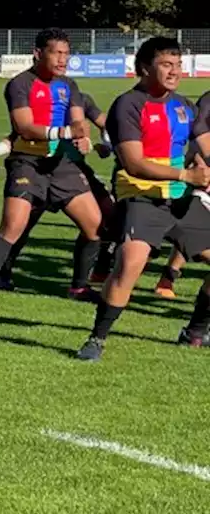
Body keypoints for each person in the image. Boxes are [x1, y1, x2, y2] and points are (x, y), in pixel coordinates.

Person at [76, 37, 210, 361]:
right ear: (144, 68)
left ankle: (195, 332)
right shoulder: (128, 105)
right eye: (166, 65)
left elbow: (203, 144)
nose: (175, 72)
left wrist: (201, 166)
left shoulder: (184, 106)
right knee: (130, 266)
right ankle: (97, 339)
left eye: (178, 65)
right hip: (141, 197)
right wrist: (187, 176)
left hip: (179, 200)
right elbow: (133, 161)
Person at [0, 29, 103, 313]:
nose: (63, 59)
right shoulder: (20, 84)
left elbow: (78, 121)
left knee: (94, 226)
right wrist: (66, 131)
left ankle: (78, 287)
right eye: (56, 53)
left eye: (66, 53)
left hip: (61, 165)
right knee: (12, 227)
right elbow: (24, 127)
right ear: (38, 53)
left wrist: (82, 136)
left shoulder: (69, 85)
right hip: (27, 162)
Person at [0, 91, 116, 291]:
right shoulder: (37, 102)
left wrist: (102, 144)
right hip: (38, 170)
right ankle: (1, 274)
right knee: (21, 225)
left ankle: (94, 273)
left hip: (74, 170)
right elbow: (18, 135)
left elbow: (107, 126)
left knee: (107, 217)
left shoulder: (81, 99)